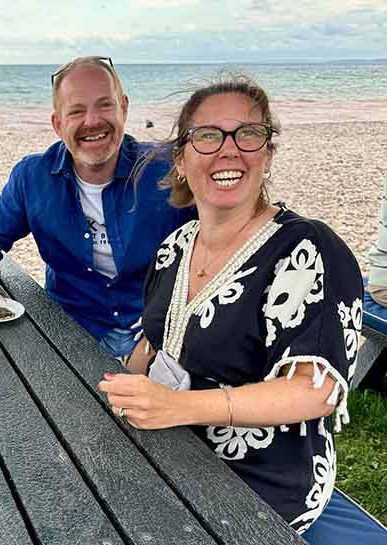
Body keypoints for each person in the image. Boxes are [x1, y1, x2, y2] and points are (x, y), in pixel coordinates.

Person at [98, 77, 386, 544]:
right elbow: (157, 337)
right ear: (182, 159)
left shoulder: (308, 248)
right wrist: (119, 384)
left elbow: (315, 392)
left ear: (267, 153)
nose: (228, 151)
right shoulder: (175, 247)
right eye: (208, 136)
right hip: (172, 451)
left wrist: (178, 406)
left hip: (263, 487)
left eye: (247, 134)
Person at [0, 56, 195, 359]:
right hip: (72, 329)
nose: (92, 121)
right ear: (58, 124)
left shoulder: (171, 169)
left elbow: (225, 237)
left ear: (124, 107)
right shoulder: (33, 176)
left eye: (105, 105)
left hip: (157, 333)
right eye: (77, 111)